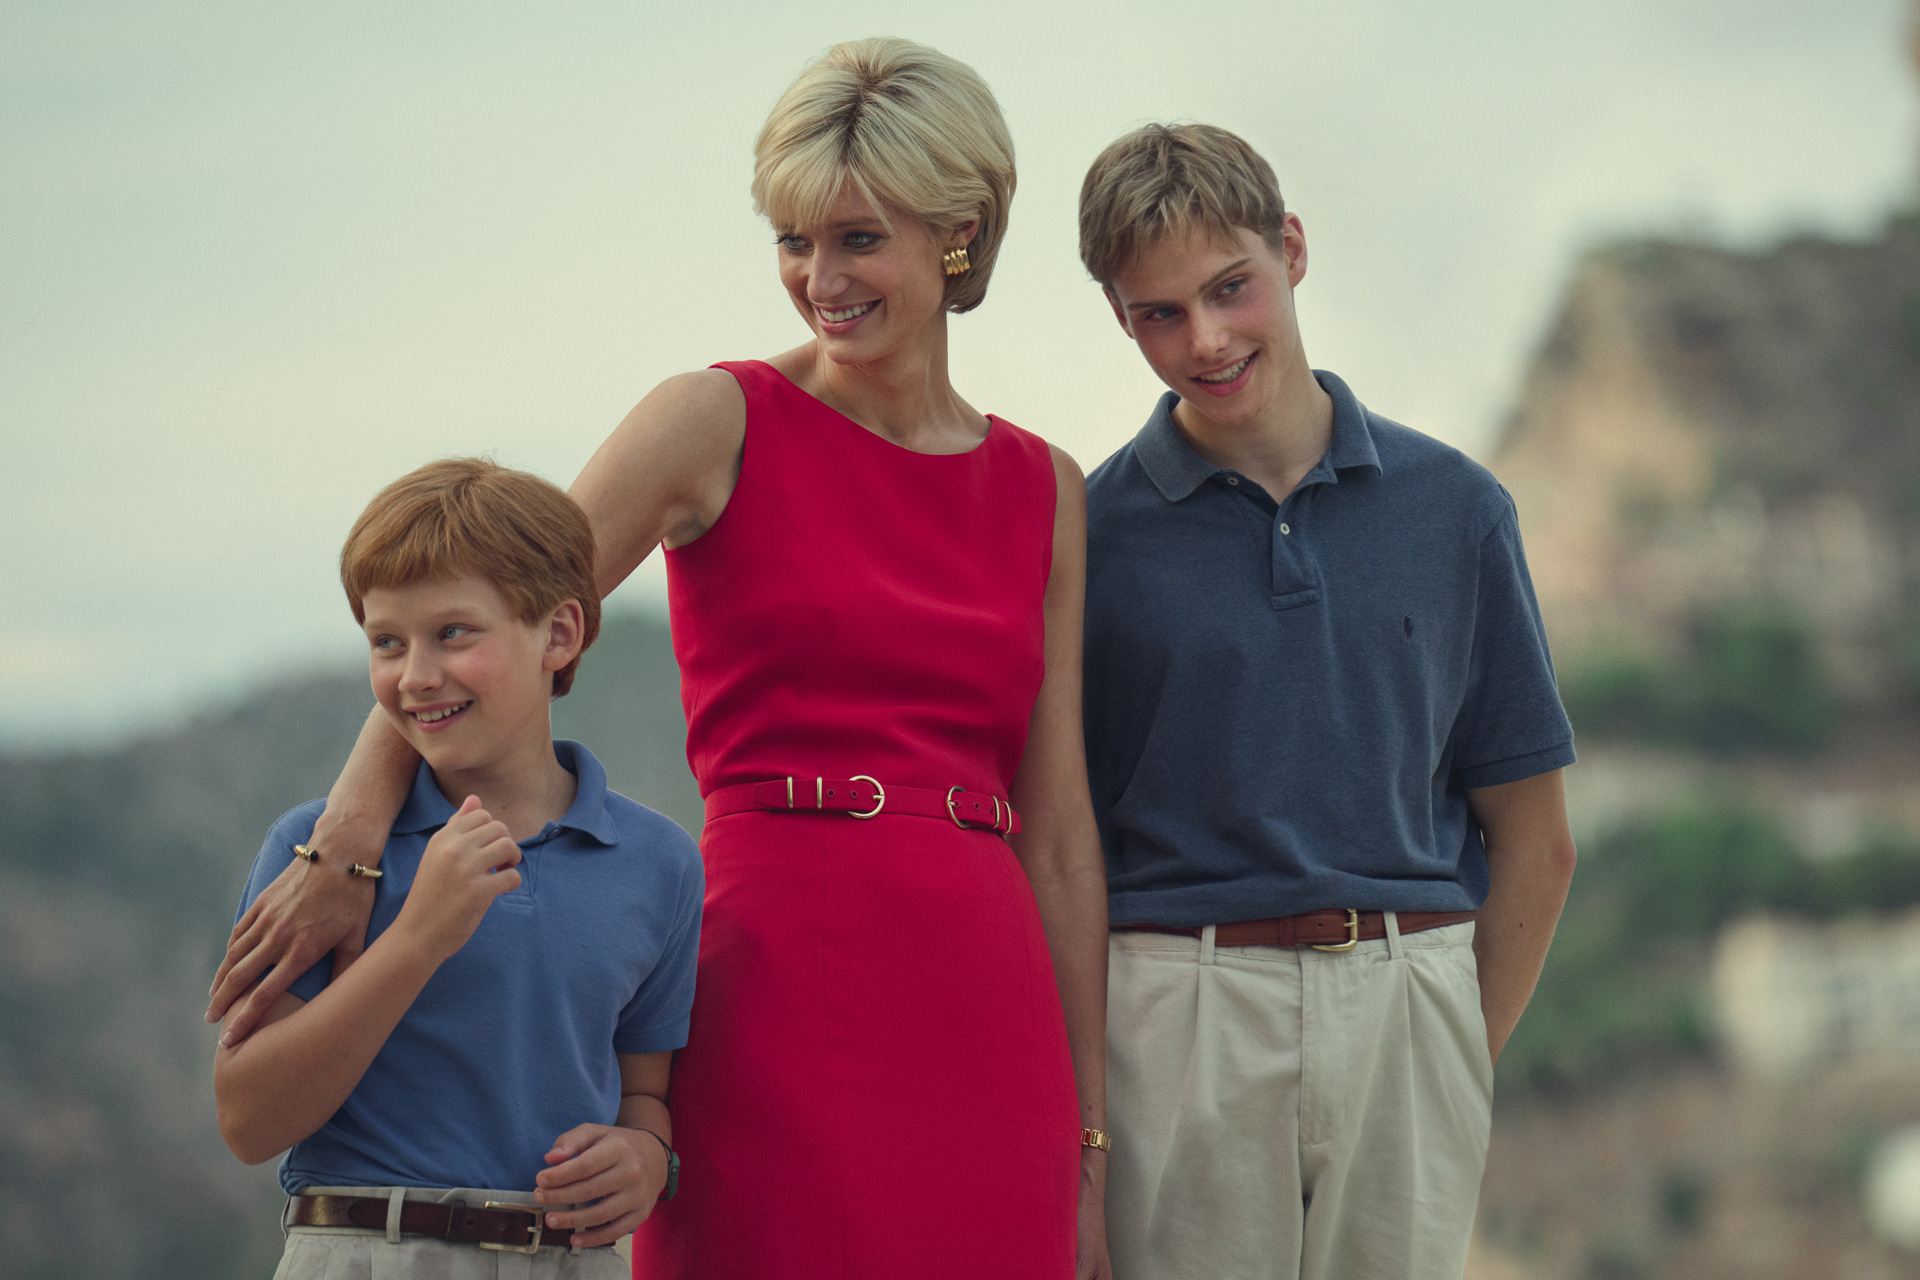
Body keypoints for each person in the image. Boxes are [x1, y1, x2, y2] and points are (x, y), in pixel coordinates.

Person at [208, 39, 1112, 1280]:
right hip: (779, 967)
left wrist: (1091, 1142)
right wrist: (349, 838)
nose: (817, 278)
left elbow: (1060, 835)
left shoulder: (1046, 487)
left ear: (959, 231)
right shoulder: (715, 418)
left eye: (857, 238)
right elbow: (491, 617)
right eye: (792, 240)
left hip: (986, 996)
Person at [1076, 123, 1580, 1280]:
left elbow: (1535, 841)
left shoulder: (1458, 509)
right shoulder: (1088, 536)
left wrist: (1444, 1043)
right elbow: (1066, 841)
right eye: (1159, 313)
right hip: (1176, 1011)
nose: (1205, 339)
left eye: (1229, 288)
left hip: (1410, 997)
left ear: (1291, 249)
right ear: (1121, 319)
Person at [214, 458, 703, 1276]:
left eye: (453, 634)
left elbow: (643, 1091)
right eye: (386, 642)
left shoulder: (657, 864)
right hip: (366, 1252)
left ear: (559, 634)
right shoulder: (319, 858)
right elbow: (249, 1121)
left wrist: (648, 1158)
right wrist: (416, 940)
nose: (415, 677)